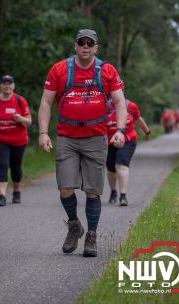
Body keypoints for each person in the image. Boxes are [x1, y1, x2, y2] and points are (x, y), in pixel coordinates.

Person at [38, 29, 127, 257]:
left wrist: (120, 129)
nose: (85, 46)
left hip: (96, 138)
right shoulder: (60, 69)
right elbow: (46, 103)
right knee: (65, 188)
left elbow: (119, 102)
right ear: (75, 46)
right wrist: (43, 133)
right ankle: (75, 225)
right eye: (81, 42)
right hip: (67, 138)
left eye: (90, 43)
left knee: (92, 192)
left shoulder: (106, 70)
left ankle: (92, 236)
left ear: (96, 47)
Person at [0, 75, 32, 206]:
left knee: (15, 167)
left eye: (9, 83)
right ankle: (2, 196)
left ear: (13, 85)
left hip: (18, 140)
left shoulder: (20, 100)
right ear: (0, 86)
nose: (7, 86)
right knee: (2, 165)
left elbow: (29, 122)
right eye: (4, 83)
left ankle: (16, 192)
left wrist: (20, 119)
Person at [106, 99, 150, 206]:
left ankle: (123, 195)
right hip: (109, 141)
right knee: (111, 169)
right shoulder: (104, 106)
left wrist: (147, 131)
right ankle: (113, 191)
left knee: (121, 165)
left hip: (128, 140)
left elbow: (138, 119)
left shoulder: (130, 106)